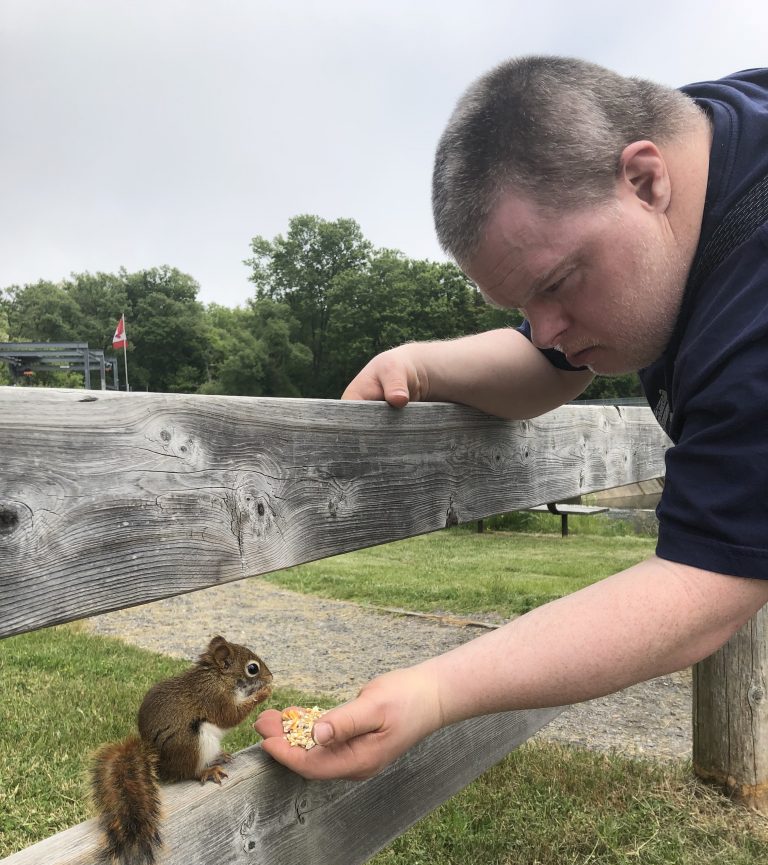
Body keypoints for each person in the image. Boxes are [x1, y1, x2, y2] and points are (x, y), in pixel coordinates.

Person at [255, 56, 768, 781]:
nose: (547, 328)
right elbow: (548, 363)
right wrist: (420, 366)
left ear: (646, 179)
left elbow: (704, 587)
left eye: (557, 284)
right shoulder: (705, 144)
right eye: (525, 305)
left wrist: (435, 692)